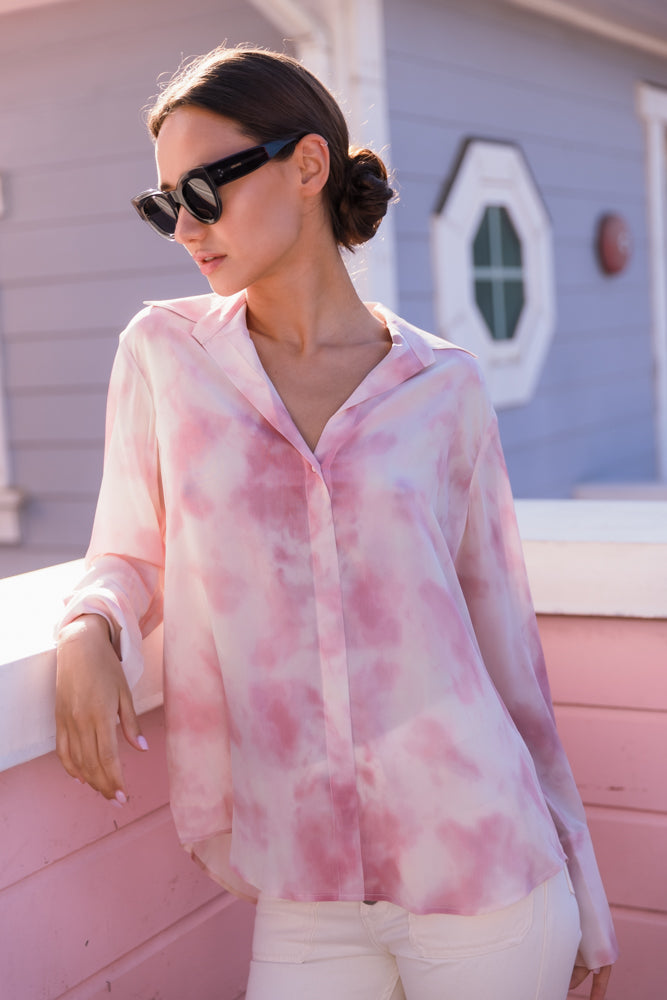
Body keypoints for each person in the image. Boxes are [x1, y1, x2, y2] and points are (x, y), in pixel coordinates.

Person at [55, 45, 617, 1000]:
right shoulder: (164, 355)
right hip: (304, 883)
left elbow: (504, 658)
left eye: (202, 189)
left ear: (307, 165)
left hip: (482, 868)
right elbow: (127, 547)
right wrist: (90, 621)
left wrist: (584, 889)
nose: (184, 226)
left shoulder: (444, 388)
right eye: (164, 205)